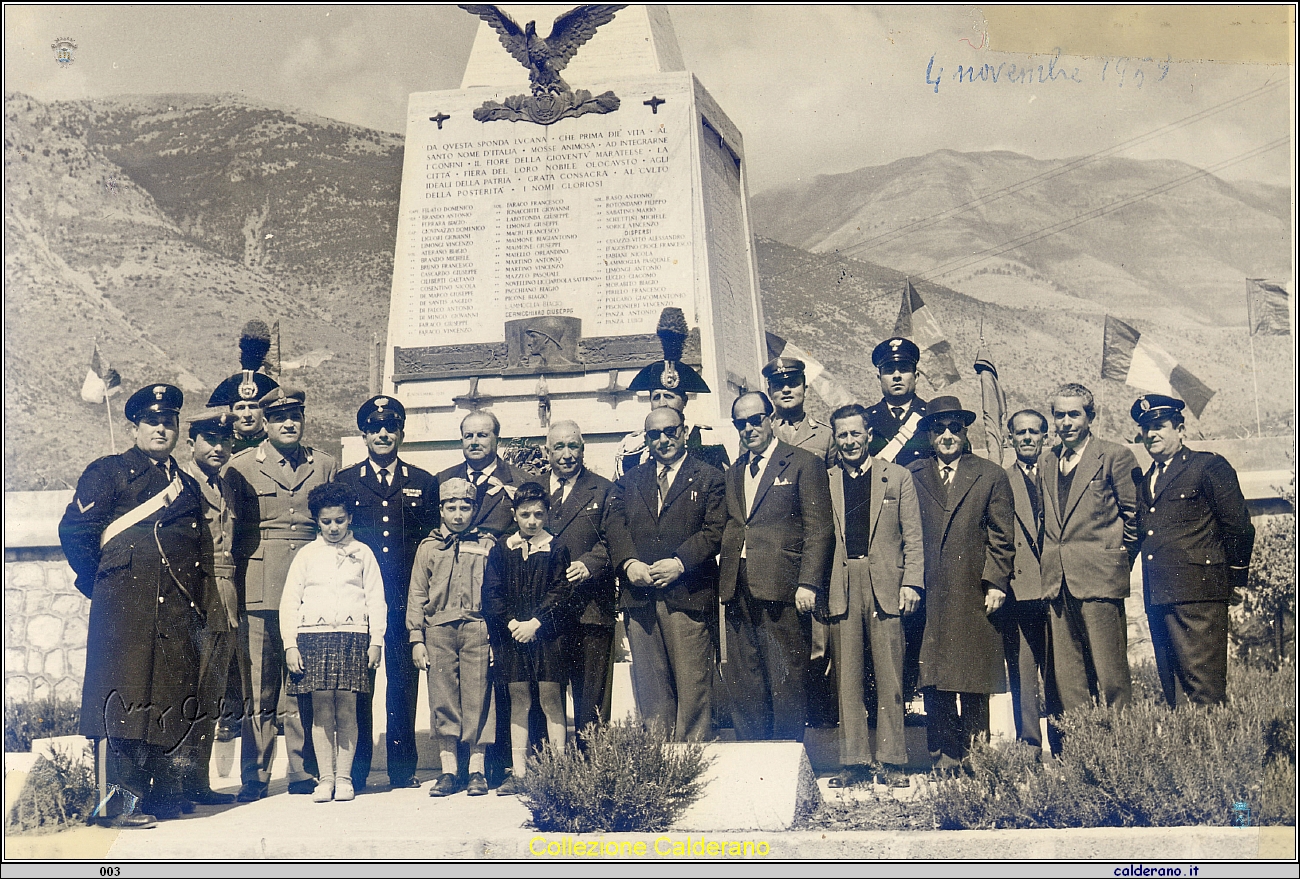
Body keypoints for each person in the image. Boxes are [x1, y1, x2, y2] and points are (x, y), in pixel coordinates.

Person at [59, 384, 209, 826]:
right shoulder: (108, 472)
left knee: (164, 698)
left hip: (172, 610)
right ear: (135, 426)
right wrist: (103, 583)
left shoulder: (184, 485)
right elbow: (76, 532)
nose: (161, 429)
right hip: (124, 608)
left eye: (169, 422)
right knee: (120, 703)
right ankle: (115, 809)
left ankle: (159, 797)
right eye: (152, 422)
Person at [228, 386, 337, 800]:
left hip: (309, 589)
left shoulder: (324, 464)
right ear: (266, 424)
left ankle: (301, 771)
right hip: (261, 587)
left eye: (295, 416)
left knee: (301, 683)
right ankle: (254, 776)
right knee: (259, 686)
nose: (289, 424)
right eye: (279, 418)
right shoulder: (242, 466)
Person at [335, 395, 439, 791]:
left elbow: (429, 543)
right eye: (375, 427)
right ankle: (356, 769)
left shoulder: (422, 482)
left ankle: (401, 768)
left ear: (401, 433)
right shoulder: (345, 482)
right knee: (360, 685)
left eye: (390, 427)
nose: (383, 433)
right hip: (359, 602)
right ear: (363, 434)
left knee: (402, 686)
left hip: (403, 600)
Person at [606, 406, 727, 742]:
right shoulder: (629, 482)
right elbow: (614, 527)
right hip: (641, 599)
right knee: (651, 690)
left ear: (684, 432)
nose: (663, 439)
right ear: (646, 439)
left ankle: (692, 759)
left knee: (692, 687)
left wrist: (680, 562)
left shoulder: (709, 477)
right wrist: (629, 564)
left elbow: (715, 530)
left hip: (687, 596)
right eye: (654, 434)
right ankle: (661, 763)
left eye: (670, 431)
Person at [718, 391, 834, 741]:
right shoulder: (735, 471)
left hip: (783, 589)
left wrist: (809, 583)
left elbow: (820, 529)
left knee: (786, 676)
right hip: (738, 588)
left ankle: (787, 756)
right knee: (744, 678)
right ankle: (753, 757)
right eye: (742, 424)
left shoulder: (802, 462)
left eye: (756, 420)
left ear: (770, 419)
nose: (750, 429)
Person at [907, 397, 1015, 770]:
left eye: (955, 427)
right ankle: (944, 759)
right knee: (934, 681)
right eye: (939, 429)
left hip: (973, 592)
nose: (948, 435)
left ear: (965, 432)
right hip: (930, 594)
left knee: (972, 679)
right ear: (929, 435)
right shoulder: (913, 474)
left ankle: (976, 759)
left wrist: (996, 582)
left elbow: (1003, 536)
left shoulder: (990, 474)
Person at [823, 403, 924, 787]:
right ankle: (853, 762)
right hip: (842, 583)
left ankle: (894, 761)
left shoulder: (896, 477)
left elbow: (913, 537)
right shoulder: (826, 479)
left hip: (886, 584)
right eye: (842, 435)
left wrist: (911, 582)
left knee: (890, 677)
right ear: (836, 439)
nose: (849, 441)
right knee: (847, 677)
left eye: (855, 433)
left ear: (868, 435)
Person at [1132, 394, 1254, 707]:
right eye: (1146, 428)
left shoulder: (1208, 466)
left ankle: (1216, 755)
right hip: (1160, 597)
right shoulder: (1148, 480)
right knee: (1175, 693)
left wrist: (1233, 579)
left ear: (1181, 429)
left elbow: (1238, 526)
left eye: (1159, 425)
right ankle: (1187, 755)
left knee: (1205, 691)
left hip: (1199, 597)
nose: (1152, 434)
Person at [281, 483, 386, 803]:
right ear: (317, 521)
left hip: (353, 638)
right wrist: (290, 644)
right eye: (326, 522)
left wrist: (376, 640)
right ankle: (325, 779)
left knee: (348, 710)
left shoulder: (363, 553)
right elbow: (289, 601)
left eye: (339, 520)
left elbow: (376, 600)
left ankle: (344, 779)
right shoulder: (306, 555)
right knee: (322, 711)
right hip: (313, 638)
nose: (333, 527)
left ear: (349, 518)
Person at [1040, 383, 1139, 715]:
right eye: (1059, 415)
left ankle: (1120, 749)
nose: (1066, 422)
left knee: (1111, 676)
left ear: (1089, 417)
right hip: (1058, 582)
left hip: (1099, 581)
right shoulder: (1047, 461)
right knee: (1070, 681)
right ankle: (1083, 750)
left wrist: (1114, 557)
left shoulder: (1115, 456)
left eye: (1074, 414)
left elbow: (1133, 515)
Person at [176, 411, 254, 807]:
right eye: (209, 439)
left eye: (225, 440)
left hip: (226, 598)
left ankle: (197, 781)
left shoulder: (227, 486)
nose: (218, 448)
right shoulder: (181, 485)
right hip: (195, 596)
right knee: (186, 691)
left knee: (212, 693)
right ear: (191, 444)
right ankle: (176, 782)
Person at [407, 478, 497, 798]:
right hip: (439, 631)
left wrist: (494, 636)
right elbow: (417, 593)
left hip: (476, 628)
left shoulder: (486, 544)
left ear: (474, 509)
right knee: (443, 699)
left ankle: (476, 770)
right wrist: (417, 637)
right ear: (441, 509)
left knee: (478, 697)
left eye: (465, 507)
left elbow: (496, 593)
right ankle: (448, 771)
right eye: (451, 507)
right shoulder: (429, 547)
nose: (458, 514)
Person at [483, 482, 574, 794]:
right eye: (525, 515)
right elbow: (492, 593)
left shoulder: (557, 548)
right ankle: (519, 771)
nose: (532, 521)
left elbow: (561, 592)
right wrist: (512, 624)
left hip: (546, 634)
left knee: (551, 699)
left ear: (547, 513)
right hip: (513, 636)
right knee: (519, 700)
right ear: (515, 514)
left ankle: (558, 772)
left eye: (538, 514)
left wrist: (535, 623)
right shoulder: (502, 549)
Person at [864, 337, 931, 708]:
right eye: (889, 370)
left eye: (903, 369)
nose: (897, 376)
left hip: (926, 528)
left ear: (916, 373)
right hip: (884, 536)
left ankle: (919, 697)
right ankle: (889, 703)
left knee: (921, 617)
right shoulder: (869, 422)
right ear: (879, 375)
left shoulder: (933, 417)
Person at [542, 420, 616, 739]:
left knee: (591, 699)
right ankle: (548, 767)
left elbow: (616, 540)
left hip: (590, 610)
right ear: (547, 451)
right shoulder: (533, 491)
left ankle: (592, 768)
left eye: (573, 446)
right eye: (559, 447)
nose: (567, 454)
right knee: (546, 696)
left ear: (583, 450)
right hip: (545, 613)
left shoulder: (603, 488)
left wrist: (589, 564)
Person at [614, 307, 730, 479]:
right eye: (656, 397)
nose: (662, 403)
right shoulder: (633, 446)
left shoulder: (706, 440)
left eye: (669, 396)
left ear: (684, 401)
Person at [1003, 409, 1052, 753]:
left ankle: (1066, 744)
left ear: (1044, 437)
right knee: (1022, 672)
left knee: (1060, 673)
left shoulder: (1057, 476)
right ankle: (1029, 744)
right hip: (1018, 591)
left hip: (1055, 588)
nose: (1027, 438)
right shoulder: (1000, 480)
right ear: (1011, 439)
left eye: (1034, 432)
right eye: (1020, 432)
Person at [437, 411, 521, 538]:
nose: (474, 442)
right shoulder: (442, 479)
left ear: (498, 441)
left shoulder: (519, 481)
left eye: (482, 435)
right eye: (468, 436)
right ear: (462, 441)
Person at [207, 320, 280, 455]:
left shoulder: (277, 449)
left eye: (253, 407)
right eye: (240, 408)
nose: (247, 415)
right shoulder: (221, 452)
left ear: (264, 411)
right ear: (231, 412)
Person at [764, 357, 834, 465]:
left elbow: (835, 477)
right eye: (778, 385)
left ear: (805, 389)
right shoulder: (759, 432)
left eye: (793, 384)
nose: (786, 390)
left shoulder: (826, 435)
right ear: (770, 392)